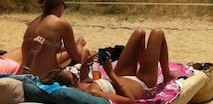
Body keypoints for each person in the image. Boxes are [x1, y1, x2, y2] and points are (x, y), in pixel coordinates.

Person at [40, 28, 178, 104]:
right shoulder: (93, 93)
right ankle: (165, 73)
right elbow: (129, 100)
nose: (76, 75)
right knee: (157, 33)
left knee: (139, 33)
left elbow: (85, 80)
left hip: (121, 75)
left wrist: (84, 66)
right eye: (74, 76)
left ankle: (146, 65)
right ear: (69, 86)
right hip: (142, 84)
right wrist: (110, 73)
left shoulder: (81, 86)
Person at [19, 0, 92, 76]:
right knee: (86, 52)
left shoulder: (32, 24)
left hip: (26, 73)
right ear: (59, 5)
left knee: (67, 58)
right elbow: (77, 57)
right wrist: (79, 44)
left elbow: (45, 49)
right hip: (46, 78)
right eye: (64, 6)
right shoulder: (62, 24)